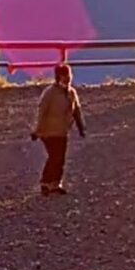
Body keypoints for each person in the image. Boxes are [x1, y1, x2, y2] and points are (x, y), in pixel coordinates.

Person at [30, 63, 86, 195]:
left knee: (60, 158)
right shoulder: (49, 93)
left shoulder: (71, 93)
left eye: (68, 74)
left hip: (62, 131)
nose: (67, 77)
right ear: (58, 76)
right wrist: (36, 130)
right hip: (48, 132)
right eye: (64, 75)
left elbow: (76, 110)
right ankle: (46, 182)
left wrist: (80, 127)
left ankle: (55, 183)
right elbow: (42, 112)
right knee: (55, 157)